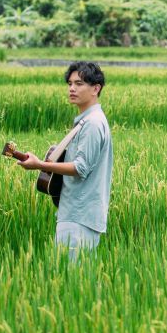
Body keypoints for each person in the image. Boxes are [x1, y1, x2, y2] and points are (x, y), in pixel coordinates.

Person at [17, 61, 113, 262]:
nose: (72, 88)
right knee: (72, 282)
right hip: (74, 212)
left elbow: (81, 167)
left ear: (96, 89)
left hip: (80, 215)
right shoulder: (85, 122)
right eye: (70, 83)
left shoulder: (93, 124)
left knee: (73, 280)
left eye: (79, 84)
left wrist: (40, 165)